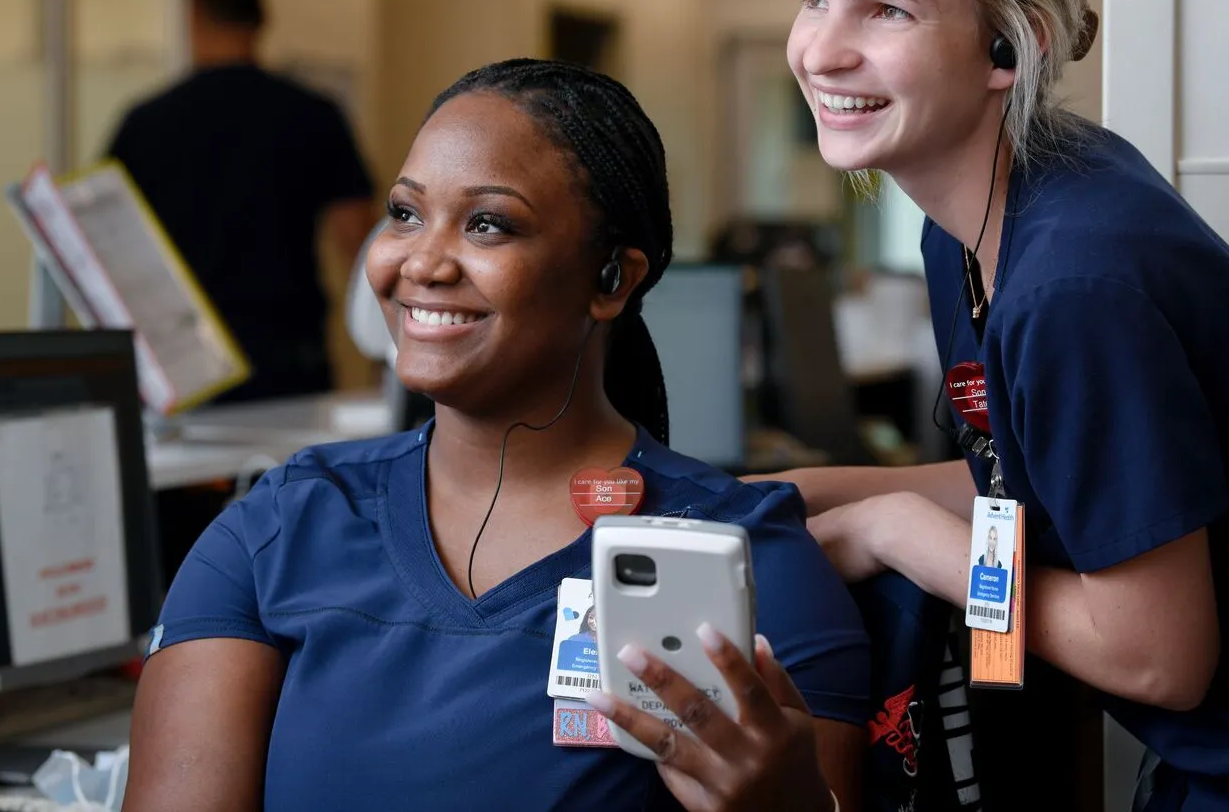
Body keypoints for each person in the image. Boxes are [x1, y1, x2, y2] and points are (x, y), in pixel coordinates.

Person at [768, 0, 1229, 810]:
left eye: (887, 10)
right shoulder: (988, 214)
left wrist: (897, 532)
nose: (822, 49)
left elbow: (1159, 657)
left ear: (1014, 45)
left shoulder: (1074, 287)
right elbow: (1030, 481)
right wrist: (782, 496)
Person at [125, 59, 871, 811]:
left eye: (488, 224)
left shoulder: (750, 564)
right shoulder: (281, 524)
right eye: (405, 213)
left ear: (611, 279)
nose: (421, 261)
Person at [106, 0, 376, 403]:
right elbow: (357, 239)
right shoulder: (311, 114)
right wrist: (385, 351)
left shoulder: (146, 123)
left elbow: (112, 252)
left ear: (193, 15)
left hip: (182, 362)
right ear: (262, 18)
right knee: (290, 473)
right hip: (287, 357)